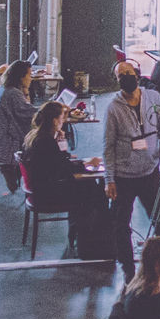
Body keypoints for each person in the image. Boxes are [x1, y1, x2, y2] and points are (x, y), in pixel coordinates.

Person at [21, 99, 110, 258]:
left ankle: (83, 237)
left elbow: (57, 161)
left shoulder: (34, 136)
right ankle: (93, 241)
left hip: (39, 188)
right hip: (49, 194)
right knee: (93, 189)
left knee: (89, 186)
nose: (63, 121)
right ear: (55, 120)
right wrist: (86, 163)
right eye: (62, 118)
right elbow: (63, 167)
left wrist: (61, 143)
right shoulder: (46, 142)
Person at [101, 63, 160, 273]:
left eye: (129, 73)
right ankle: (128, 269)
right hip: (123, 176)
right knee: (121, 225)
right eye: (121, 75)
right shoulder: (113, 108)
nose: (126, 77)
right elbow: (108, 146)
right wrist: (109, 179)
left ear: (137, 74)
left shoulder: (154, 98)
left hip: (150, 171)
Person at [0, 60, 33, 195]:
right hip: (4, 143)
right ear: (21, 77)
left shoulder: (3, 88)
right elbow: (28, 113)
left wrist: (26, 91)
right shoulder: (13, 93)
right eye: (29, 74)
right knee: (38, 139)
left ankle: (15, 170)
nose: (31, 78)